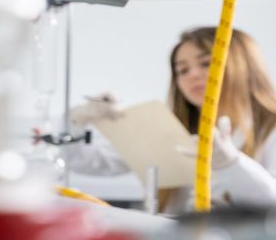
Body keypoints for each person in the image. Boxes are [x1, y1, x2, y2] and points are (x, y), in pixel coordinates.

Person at [67, 26, 276, 211]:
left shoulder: (270, 131)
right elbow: (90, 164)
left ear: (244, 66)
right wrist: (76, 123)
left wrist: (232, 164)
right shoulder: (172, 130)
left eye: (206, 63)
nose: (193, 75)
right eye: (182, 70)